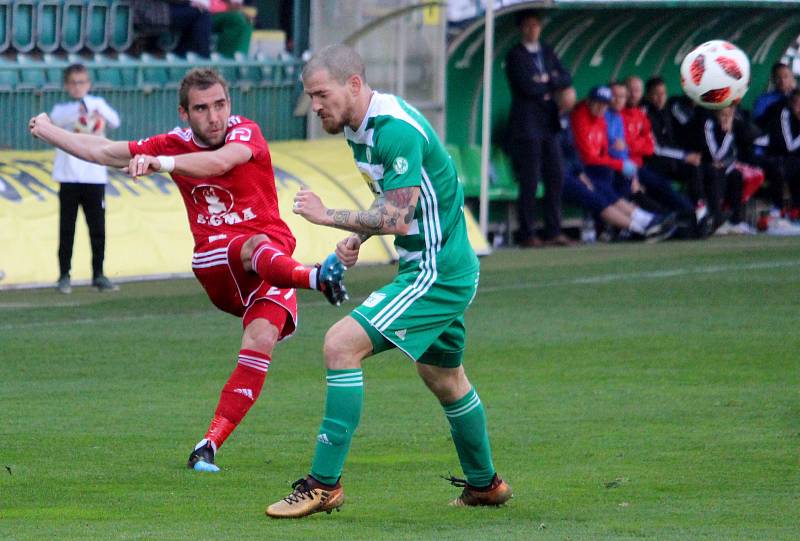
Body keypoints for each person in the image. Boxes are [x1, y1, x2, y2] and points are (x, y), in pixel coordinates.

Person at [29, 68, 348, 472]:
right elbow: (104, 151)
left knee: (261, 340)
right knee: (253, 246)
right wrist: (47, 129)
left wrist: (161, 164)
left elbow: (219, 162)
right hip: (217, 260)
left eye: (220, 105)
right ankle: (317, 277)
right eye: (202, 108)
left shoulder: (244, 132)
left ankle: (207, 446)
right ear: (184, 113)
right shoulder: (173, 142)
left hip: (272, 263)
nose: (214, 116)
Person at [265, 44, 512, 519]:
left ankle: (323, 485)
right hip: (432, 265)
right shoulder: (360, 128)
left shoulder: (394, 129)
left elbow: (397, 218)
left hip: (435, 271)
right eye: (310, 96)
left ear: (353, 85)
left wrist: (328, 217)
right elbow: (389, 202)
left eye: (321, 94)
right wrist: (357, 235)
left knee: (340, 344)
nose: (315, 106)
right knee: (442, 375)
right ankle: (485, 486)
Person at [557, 87, 674, 242]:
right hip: (570, 171)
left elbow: (601, 151)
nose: (601, 108)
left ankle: (644, 220)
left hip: (580, 170)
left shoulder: (601, 119)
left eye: (605, 104)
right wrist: (618, 165)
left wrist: (582, 172)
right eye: (597, 103)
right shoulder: (577, 118)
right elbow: (586, 156)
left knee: (613, 180)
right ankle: (640, 228)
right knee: (599, 189)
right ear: (589, 102)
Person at [504, 9, 574, 247]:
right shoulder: (515, 55)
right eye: (528, 25)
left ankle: (553, 230)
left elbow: (566, 77)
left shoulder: (547, 51)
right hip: (526, 125)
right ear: (522, 28)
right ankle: (527, 232)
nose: (533, 29)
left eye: (536, 25)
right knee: (530, 179)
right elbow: (526, 87)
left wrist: (546, 81)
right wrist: (550, 83)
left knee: (556, 174)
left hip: (548, 123)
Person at [50, 64, 121, 294]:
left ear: (88, 84)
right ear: (66, 85)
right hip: (68, 177)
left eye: (81, 82)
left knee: (97, 228)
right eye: (73, 82)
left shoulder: (98, 105)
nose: (77, 87)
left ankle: (98, 274)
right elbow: (55, 120)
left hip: (94, 176)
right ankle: (64, 275)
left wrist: (93, 111)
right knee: (66, 229)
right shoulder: (64, 110)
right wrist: (82, 113)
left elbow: (115, 121)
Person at [606, 82, 694, 223]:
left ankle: (690, 215)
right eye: (615, 96)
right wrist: (633, 151)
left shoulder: (638, 114)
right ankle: (664, 220)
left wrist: (631, 147)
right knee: (635, 187)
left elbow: (649, 146)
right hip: (621, 166)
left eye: (622, 96)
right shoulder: (614, 116)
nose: (632, 95)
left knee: (662, 184)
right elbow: (616, 148)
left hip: (636, 165)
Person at [642, 76, 709, 229]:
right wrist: (685, 156)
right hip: (653, 162)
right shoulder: (645, 113)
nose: (660, 98)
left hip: (671, 161)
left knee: (698, 167)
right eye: (655, 94)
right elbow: (656, 148)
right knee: (666, 186)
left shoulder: (667, 111)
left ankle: (702, 210)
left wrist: (690, 156)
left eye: (663, 94)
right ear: (648, 95)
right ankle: (690, 216)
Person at [685, 105, 760, 234]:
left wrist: (726, 161)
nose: (726, 119)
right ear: (715, 113)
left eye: (728, 116)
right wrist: (728, 134)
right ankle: (716, 218)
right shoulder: (709, 124)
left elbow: (731, 154)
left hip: (724, 165)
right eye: (723, 115)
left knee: (736, 175)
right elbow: (716, 154)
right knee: (715, 174)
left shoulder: (734, 123)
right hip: (705, 164)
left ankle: (734, 221)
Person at [764, 88, 800, 234]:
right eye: (796, 103)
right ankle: (779, 212)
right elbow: (789, 145)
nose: (798, 106)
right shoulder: (784, 114)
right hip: (780, 156)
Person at [753, 62, 797, 129]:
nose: (782, 81)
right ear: (773, 79)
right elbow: (757, 122)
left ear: (791, 78)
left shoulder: (796, 98)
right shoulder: (763, 100)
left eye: (786, 76)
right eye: (778, 77)